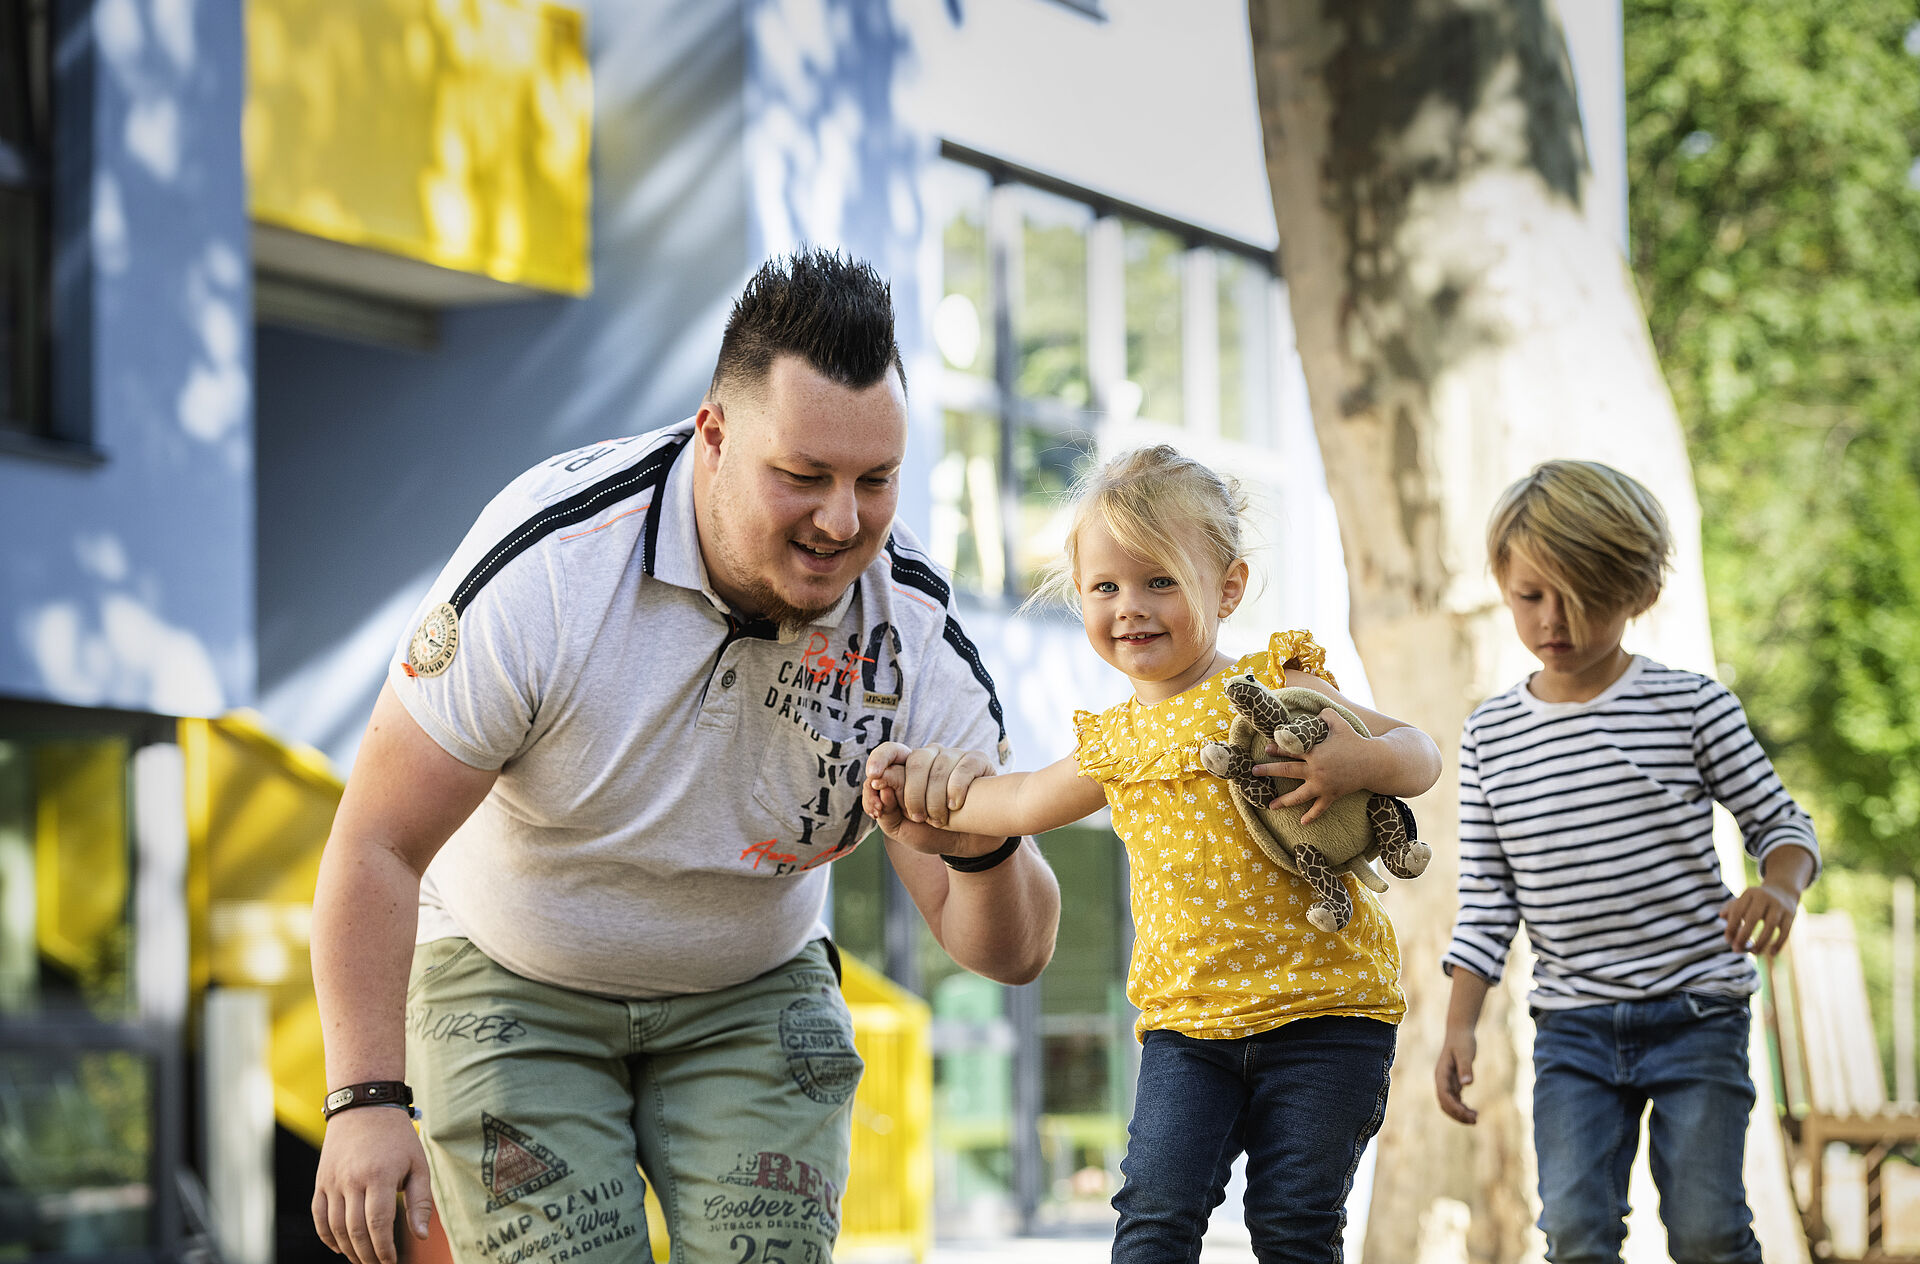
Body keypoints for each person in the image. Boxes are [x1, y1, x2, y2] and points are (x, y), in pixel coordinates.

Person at [307, 249, 1060, 1264]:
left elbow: (1011, 951)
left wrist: (976, 849)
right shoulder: (555, 567)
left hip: (751, 990)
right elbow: (377, 842)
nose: (842, 521)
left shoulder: (911, 631)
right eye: (802, 476)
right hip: (512, 974)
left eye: (875, 480)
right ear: (712, 437)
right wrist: (363, 1099)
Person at [862, 446, 1442, 1263]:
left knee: (1294, 1225)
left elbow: (1420, 751)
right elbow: (1016, 801)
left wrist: (1359, 761)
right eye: (1106, 587)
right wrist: (919, 814)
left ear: (1228, 587)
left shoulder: (1274, 683)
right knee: (1154, 1223)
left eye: (1160, 582)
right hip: (1187, 1029)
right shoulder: (1117, 743)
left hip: (1325, 1016)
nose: (1130, 607)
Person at [1433, 460, 1819, 1264]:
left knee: (1708, 1230)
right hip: (1572, 1026)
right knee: (1575, 1232)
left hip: (1698, 1013)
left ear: (1638, 591)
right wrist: (1460, 1023)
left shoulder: (1692, 705)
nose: (1554, 623)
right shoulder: (1491, 736)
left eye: (1584, 599)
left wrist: (1779, 885)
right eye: (1531, 596)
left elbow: (1781, 823)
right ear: (1503, 584)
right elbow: (1487, 898)